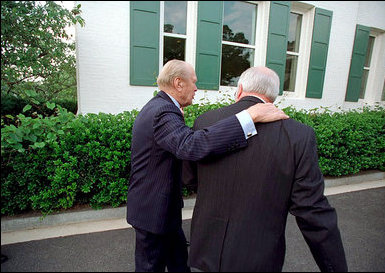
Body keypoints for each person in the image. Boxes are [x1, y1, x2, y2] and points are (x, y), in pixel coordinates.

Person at [126, 60, 289, 272]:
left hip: (161, 209)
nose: (196, 88)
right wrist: (249, 116)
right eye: (193, 82)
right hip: (153, 213)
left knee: (179, 261)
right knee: (150, 267)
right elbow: (191, 146)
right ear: (178, 83)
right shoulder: (163, 112)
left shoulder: (161, 108)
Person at [183, 66, 348, 272]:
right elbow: (311, 210)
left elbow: (189, 178)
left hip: (206, 251)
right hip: (258, 258)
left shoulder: (205, 121)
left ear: (239, 89)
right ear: (273, 97)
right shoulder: (298, 136)